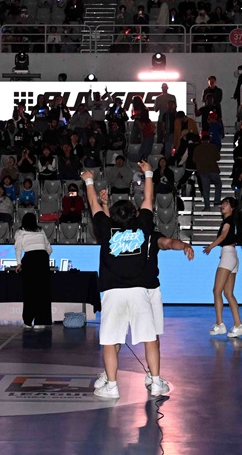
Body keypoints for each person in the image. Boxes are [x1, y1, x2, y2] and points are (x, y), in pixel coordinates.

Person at [82, 161, 194, 400]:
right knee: (150, 339)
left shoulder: (105, 229)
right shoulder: (143, 228)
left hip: (113, 292)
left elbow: (93, 203)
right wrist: (149, 174)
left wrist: (89, 180)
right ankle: (156, 382)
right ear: (134, 215)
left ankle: (112, 386)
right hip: (139, 292)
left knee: (110, 341)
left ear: (113, 217)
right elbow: (148, 199)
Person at [204, 197, 242, 338]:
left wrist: (210, 247)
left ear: (232, 208)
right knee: (228, 293)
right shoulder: (233, 221)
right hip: (233, 255)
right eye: (222, 203)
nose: (223, 205)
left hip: (228, 254)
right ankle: (238, 325)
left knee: (217, 291)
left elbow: (222, 236)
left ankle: (219, 324)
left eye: (226, 204)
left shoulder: (228, 221)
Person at [14, 212, 53, 330]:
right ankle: (40, 321)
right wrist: (44, 257)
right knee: (42, 291)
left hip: (30, 259)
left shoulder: (20, 232)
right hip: (42, 258)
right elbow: (49, 247)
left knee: (29, 291)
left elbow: (18, 248)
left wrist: (19, 263)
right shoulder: (40, 230)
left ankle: (27, 321)